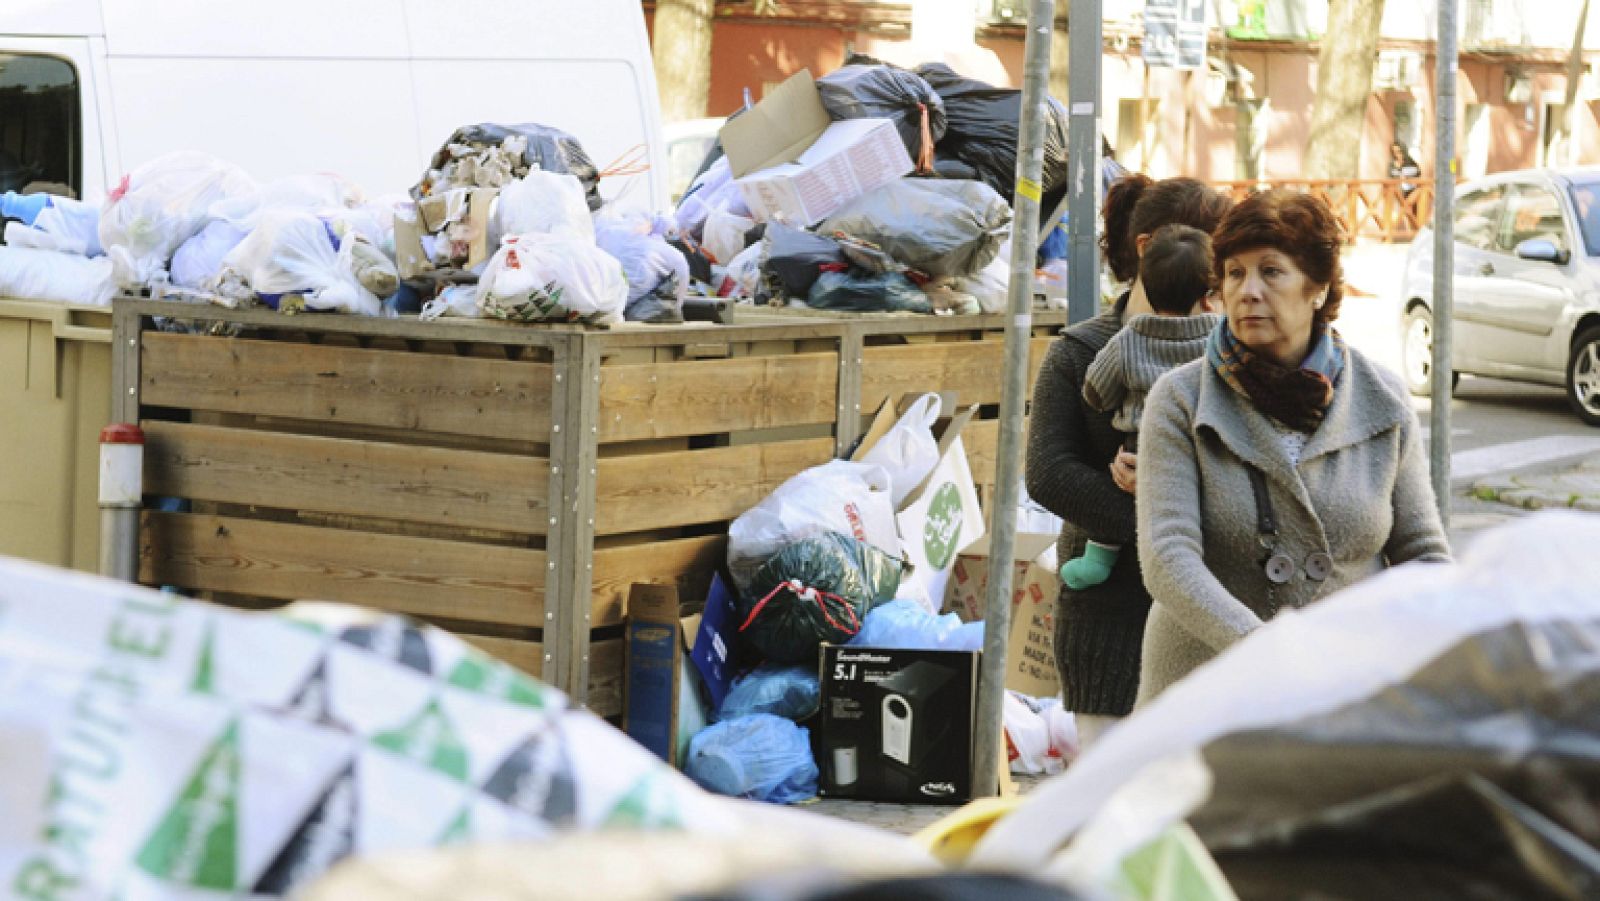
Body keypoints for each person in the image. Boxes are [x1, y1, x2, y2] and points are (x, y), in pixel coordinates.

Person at [1134, 189, 1452, 705]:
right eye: (1234, 273)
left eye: (1271, 271)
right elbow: (1168, 559)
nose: (1247, 291)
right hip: (1201, 694)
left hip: (1345, 694)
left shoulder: (1383, 399)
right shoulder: (1180, 400)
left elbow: (1422, 555)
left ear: (1319, 289)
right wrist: (1269, 652)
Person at [1025, 175, 1233, 746]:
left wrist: (1183, 494)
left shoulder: (1235, 352)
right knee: (1109, 812)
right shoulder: (1081, 351)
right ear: (1148, 249)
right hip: (1111, 620)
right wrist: (1161, 522)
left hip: (1216, 613)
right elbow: (1048, 473)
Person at [1061, 224, 1221, 590]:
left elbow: (1095, 390)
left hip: (1141, 444)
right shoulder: (1219, 337)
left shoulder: (1129, 338)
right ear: (1209, 295)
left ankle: (1097, 559)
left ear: (1145, 287)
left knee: (1117, 488)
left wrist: (1114, 400)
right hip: (1197, 444)